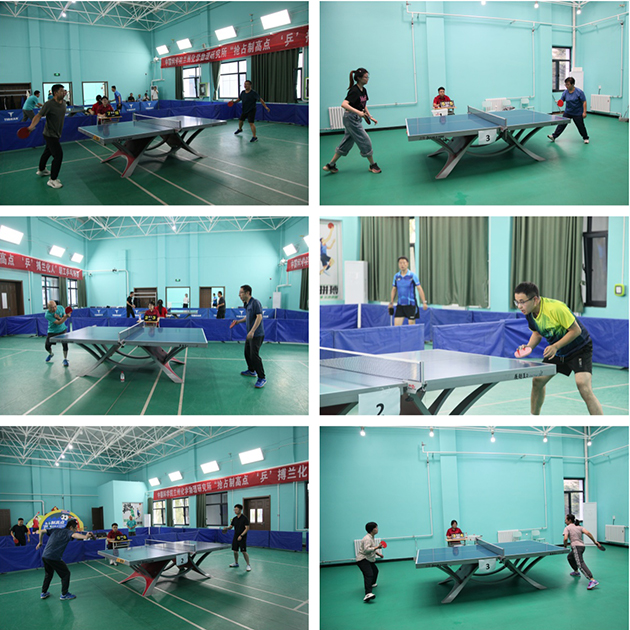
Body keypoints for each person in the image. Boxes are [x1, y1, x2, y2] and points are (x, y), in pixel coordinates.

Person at [514, 282, 603, 415]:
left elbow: (576, 330)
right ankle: (534, 418)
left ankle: (600, 422)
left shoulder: (556, 308)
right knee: (538, 381)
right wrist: (528, 347)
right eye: (517, 302)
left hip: (579, 348)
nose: (519, 306)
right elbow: (537, 333)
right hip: (558, 351)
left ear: (535, 299)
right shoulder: (529, 312)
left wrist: (555, 346)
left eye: (522, 302)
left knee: (583, 386)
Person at [323, 68, 381, 175]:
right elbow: (344, 104)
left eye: (368, 77)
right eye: (365, 77)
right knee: (365, 140)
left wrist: (370, 116)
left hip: (355, 118)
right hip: (350, 118)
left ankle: (331, 165)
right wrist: (358, 113)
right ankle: (372, 165)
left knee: (347, 142)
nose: (367, 79)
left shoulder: (363, 90)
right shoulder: (354, 90)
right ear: (359, 78)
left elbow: (363, 105)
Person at [37, 519, 95, 600]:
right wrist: (85, 537)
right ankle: (64, 594)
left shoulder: (55, 530)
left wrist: (40, 542)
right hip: (53, 557)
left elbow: (41, 531)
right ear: (71, 527)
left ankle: (43, 593)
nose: (75, 530)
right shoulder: (68, 532)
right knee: (65, 574)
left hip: (45, 556)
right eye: (75, 528)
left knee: (48, 574)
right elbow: (74, 535)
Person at [27, 84, 68, 189]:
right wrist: (31, 126)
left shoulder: (64, 103)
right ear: (55, 93)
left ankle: (41, 170)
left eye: (64, 90)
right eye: (61, 91)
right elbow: (38, 115)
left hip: (57, 133)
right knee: (58, 155)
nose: (64, 92)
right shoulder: (49, 104)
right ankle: (52, 180)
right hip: (50, 134)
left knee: (48, 151)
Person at [232, 285, 266, 388]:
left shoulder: (255, 302)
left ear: (247, 293)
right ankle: (251, 371)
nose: (239, 295)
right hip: (250, 334)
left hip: (257, 334)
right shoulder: (246, 304)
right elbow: (248, 317)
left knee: (254, 356)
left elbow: (259, 317)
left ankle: (262, 378)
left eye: (241, 293)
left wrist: (252, 331)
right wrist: (238, 321)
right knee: (247, 353)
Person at [563, 513, 602, 590]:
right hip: (582, 547)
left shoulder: (567, 528)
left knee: (580, 563)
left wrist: (565, 546)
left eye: (565, 519)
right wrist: (595, 542)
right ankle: (576, 571)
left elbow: (565, 538)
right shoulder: (579, 527)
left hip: (576, 547)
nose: (565, 521)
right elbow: (588, 533)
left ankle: (592, 580)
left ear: (569, 520)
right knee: (570, 557)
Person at [548, 77, 589, 144]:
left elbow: (584, 102)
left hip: (577, 112)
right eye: (565, 84)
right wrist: (559, 102)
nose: (566, 86)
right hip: (568, 112)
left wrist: (584, 112)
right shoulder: (565, 92)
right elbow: (562, 100)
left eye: (568, 84)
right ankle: (554, 136)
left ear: (572, 84)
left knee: (580, 126)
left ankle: (585, 138)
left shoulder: (579, 92)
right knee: (561, 124)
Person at [389, 256, 428, 325]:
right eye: (400, 263)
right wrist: (391, 302)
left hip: (411, 305)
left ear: (407, 264)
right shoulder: (396, 276)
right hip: (400, 305)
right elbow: (394, 289)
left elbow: (419, 288)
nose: (402, 265)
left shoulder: (412, 275)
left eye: (404, 263)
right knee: (396, 327)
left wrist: (424, 302)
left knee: (411, 327)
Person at [356, 522, 384, 602]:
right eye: (376, 527)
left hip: (368, 559)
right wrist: (377, 547)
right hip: (362, 559)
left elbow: (372, 548)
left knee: (375, 571)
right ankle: (368, 594)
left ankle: (371, 584)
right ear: (372, 529)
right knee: (369, 574)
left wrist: (378, 554)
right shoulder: (367, 538)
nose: (377, 529)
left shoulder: (371, 537)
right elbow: (366, 550)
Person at [222, 504, 251, 571]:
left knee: (243, 551)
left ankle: (248, 565)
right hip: (235, 536)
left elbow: (247, 528)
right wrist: (226, 528)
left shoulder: (244, 518)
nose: (235, 511)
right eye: (234, 509)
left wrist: (241, 535)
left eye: (236, 509)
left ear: (240, 510)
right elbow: (231, 526)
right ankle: (236, 563)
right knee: (235, 551)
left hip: (242, 537)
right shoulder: (234, 519)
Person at [44, 300, 70, 366]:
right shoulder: (47, 315)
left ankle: (65, 359)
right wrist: (65, 317)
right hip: (52, 331)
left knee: (65, 344)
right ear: (48, 308)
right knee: (47, 346)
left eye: (55, 306)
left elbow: (63, 318)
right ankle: (51, 354)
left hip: (62, 329)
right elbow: (58, 323)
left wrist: (59, 317)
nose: (54, 308)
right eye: (52, 307)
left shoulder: (60, 308)